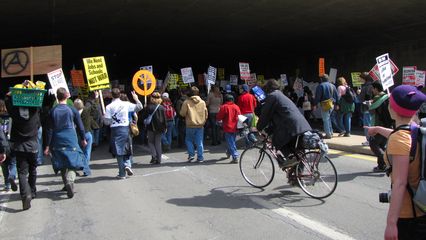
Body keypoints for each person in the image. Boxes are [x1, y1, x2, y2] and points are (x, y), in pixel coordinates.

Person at [365, 85, 426, 240]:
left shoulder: (398, 140)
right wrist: (378, 129)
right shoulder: (415, 129)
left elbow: (399, 182)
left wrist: (391, 223)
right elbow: (400, 134)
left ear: (392, 108)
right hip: (421, 208)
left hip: (408, 214)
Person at [256, 79, 312, 168]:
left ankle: (290, 160)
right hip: (302, 125)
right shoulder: (281, 95)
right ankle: (296, 178)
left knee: (277, 141)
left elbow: (265, 115)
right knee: (298, 152)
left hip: (291, 126)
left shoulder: (273, 96)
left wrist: (258, 127)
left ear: (268, 89)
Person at [45, 88, 87, 199]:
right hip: (70, 137)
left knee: (61, 161)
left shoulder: (53, 111)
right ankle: (69, 181)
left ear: (57, 97)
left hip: (57, 138)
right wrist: (83, 138)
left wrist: (47, 145)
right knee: (74, 161)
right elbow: (80, 126)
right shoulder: (72, 110)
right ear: (67, 96)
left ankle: (66, 184)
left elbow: (49, 130)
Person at [5, 81, 41, 210]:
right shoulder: (34, 109)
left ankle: (25, 195)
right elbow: (37, 95)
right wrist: (28, 86)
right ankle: (33, 191)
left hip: (19, 146)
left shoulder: (14, 111)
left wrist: (15, 92)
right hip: (33, 146)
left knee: (22, 172)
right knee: (33, 170)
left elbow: (7, 97)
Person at [104, 88, 142, 179]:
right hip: (125, 129)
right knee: (127, 148)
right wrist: (136, 98)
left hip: (115, 130)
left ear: (111, 95)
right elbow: (140, 107)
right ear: (120, 94)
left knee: (119, 152)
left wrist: (104, 118)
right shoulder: (126, 104)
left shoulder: (109, 107)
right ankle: (127, 165)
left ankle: (122, 173)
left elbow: (107, 122)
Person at [368, 81, 394, 172]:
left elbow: (371, 110)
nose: (371, 90)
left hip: (379, 124)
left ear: (376, 89)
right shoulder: (388, 97)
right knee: (382, 145)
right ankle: (381, 166)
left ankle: (386, 161)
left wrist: (369, 104)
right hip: (388, 125)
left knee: (373, 144)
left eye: (372, 88)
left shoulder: (377, 98)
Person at [180, 86, 208, 163]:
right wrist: (204, 121)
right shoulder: (202, 102)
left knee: (188, 140)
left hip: (190, 124)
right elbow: (206, 113)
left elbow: (182, 113)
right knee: (199, 141)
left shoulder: (186, 102)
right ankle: (200, 157)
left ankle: (191, 155)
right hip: (200, 125)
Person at [142, 92, 167, 164]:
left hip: (151, 127)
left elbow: (143, 117)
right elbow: (164, 119)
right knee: (158, 143)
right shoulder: (162, 107)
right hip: (160, 127)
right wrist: (165, 127)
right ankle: (159, 159)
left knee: (150, 142)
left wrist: (145, 108)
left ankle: (154, 156)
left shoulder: (148, 107)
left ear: (152, 98)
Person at [217, 94, 241, 163]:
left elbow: (219, 117)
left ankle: (235, 156)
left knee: (231, 142)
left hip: (227, 127)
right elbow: (239, 116)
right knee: (232, 141)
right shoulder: (236, 106)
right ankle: (229, 152)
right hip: (236, 127)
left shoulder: (224, 107)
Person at [73, 99, 94, 176]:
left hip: (78, 135)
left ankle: (80, 168)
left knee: (78, 153)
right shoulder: (87, 111)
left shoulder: (73, 114)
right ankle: (86, 170)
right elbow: (94, 109)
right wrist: (96, 99)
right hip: (87, 133)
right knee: (87, 153)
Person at [314, 74, 339, 139]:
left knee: (325, 120)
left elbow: (318, 97)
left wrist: (315, 104)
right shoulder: (333, 86)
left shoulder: (320, 86)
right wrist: (337, 104)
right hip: (332, 104)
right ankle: (331, 132)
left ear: (321, 79)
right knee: (329, 119)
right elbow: (336, 96)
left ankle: (328, 135)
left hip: (325, 104)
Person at [0, 99, 16, 192]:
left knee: (4, 164)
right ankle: (12, 176)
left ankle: (7, 184)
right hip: (12, 143)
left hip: (1, 144)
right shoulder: (12, 117)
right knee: (13, 162)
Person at [359, 72, 374, 146]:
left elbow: (361, 99)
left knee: (367, 125)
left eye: (360, 78)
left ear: (364, 78)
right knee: (371, 124)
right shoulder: (373, 85)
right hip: (372, 108)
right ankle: (371, 139)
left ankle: (369, 140)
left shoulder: (365, 87)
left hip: (366, 108)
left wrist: (359, 93)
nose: (360, 80)